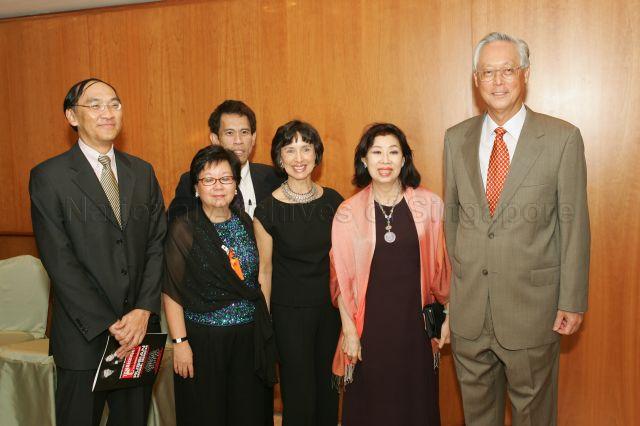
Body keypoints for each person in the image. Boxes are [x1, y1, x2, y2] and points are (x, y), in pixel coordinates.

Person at [444, 32, 590, 425]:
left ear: (524, 74)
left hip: (532, 310)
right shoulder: (455, 139)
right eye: (488, 72)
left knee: (534, 417)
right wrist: (456, 290)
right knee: (477, 417)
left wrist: (572, 298)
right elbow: (453, 220)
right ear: (476, 80)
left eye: (507, 70)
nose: (498, 81)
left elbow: (574, 224)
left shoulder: (562, 138)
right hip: (470, 310)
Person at [29, 78, 166, 426]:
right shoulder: (49, 177)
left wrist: (143, 311)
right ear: (72, 116)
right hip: (83, 336)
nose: (108, 113)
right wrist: (109, 322)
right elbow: (59, 260)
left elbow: (156, 243)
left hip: (138, 334)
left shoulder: (142, 172)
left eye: (115, 104)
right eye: (95, 105)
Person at [330, 123, 451, 426]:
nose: (385, 161)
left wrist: (448, 314)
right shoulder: (348, 212)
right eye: (377, 152)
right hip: (369, 331)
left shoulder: (430, 205)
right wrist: (349, 332)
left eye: (393, 152)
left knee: (416, 407)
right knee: (372, 408)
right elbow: (340, 281)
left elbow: (444, 266)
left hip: (416, 330)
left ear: (405, 159)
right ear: (364, 160)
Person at [162, 145, 277, 426]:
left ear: (236, 186)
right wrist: (180, 343)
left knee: (248, 414)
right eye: (208, 180)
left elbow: (261, 274)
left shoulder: (246, 222)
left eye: (225, 179)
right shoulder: (183, 229)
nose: (218, 187)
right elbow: (171, 291)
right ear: (196, 187)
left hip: (249, 341)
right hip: (203, 342)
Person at [253, 120, 343, 425]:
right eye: (290, 150)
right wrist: (265, 324)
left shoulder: (334, 201)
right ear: (279, 158)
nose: (299, 157)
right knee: (298, 394)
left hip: (330, 311)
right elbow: (264, 271)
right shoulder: (266, 210)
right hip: (288, 314)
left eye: (306, 148)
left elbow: (344, 262)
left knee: (330, 389)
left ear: (316, 155)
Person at [167, 100, 281, 222]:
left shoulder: (275, 177)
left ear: (253, 138)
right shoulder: (192, 181)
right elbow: (176, 229)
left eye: (244, 132)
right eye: (229, 133)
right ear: (215, 139)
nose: (238, 140)